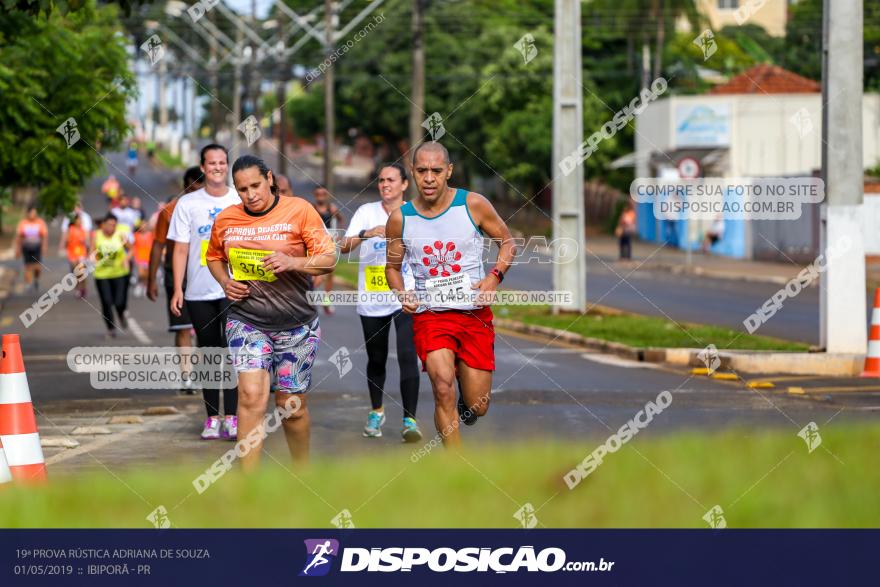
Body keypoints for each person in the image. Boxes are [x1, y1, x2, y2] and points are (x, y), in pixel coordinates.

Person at [206, 155, 335, 467]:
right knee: (250, 397)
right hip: (246, 319)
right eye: (242, 189)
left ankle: (302, 473)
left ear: (270, 179)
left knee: (290, 407)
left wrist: (293, 262)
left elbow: (329, 259)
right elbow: (213, 256)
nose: (250, 194)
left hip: (296, 324)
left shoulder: (300, 210)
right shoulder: (226, 219)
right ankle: (249, 490)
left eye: (255, 185)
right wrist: (225, 281)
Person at [385, 142, 515, 447]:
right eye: (421, 171)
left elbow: (508, 243)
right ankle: (456, 468)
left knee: (478, 406)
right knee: (442, 388)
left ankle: (465, 395)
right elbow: (392, 268)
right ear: (413, 172)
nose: (429, 178)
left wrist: (494, 277)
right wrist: (401, 293)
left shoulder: (473, 204)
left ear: (449, 172)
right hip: (431, 316)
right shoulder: (400, 219)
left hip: (473, 315)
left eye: (436, 171)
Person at [340, 163, 421, 442]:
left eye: (391, 180)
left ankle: (410, 420)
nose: (385, 184)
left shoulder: (414, 212)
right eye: (381, 180)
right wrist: (366, 234)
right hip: (372, 298)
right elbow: (342, 246)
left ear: (404, 185)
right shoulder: (366, 212)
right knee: (377, 359)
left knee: (408, 355)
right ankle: (377, 411)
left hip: (405, 295)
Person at [168, 144, 241, 440]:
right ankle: (213, 418)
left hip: (234, 288)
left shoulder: (239, 199)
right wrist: (177, 288)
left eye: (223, 162)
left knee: (233, 353)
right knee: (210, 353)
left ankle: (234, 417)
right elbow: (181, 248)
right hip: (199, 291)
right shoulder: (188, 204)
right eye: (212, 163)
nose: (218, 167)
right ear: (202, 167)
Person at [148, 167, 203, 395]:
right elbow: (158, 244)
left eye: (202, 186)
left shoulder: (217, 209)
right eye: (194, 186)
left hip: (207, 275)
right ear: (186, 186)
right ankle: (187, 377)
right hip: (176, 276)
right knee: (183, 328)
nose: (198, 191)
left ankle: (205, 372)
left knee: (207, 329)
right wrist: (151, 279)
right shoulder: (170, 211)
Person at [91, 214, 132, 338]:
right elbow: (92, 252)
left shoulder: (120, 235)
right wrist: (92, 259)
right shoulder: (96, 235)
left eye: (114, 225)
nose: (111, 227)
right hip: (102, 275)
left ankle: (121, 314)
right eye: (109, 225)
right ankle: (110, 328)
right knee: (106, 302)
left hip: (119, 273)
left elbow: (131, 249)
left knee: (119, 302)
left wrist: (126, 259)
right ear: (103, 224)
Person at [311, 186, 344, 315]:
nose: (320, 196)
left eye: (323, 194)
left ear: (327, 195)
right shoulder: (311, 208)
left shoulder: (332, 209)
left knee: (330, 273)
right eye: (318, 194)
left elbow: (340, 220)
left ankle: (327, 300)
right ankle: (311, 300)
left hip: (330, 241)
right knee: (315, 272)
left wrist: (340, 235)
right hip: (316, 242)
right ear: (314, 194)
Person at [15, 206, 49, 292]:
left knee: (37, 267)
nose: (34, 215)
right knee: (28, 266)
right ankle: (28, 283)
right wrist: (17, 249)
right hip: (26, 247)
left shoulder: (40, 223)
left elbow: (44, 236)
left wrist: (44, 247)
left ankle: (36, 279)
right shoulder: (23, 223)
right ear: (28, 213)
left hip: (37, 247)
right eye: (32, 213)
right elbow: (19, 237)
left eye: (35, 213)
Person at [62, 213, 89, 299]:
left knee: (81, 272)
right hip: (72, 252)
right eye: (78, 220)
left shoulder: (83, 230)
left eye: (81, 220)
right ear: (74, 221)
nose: (80, 221)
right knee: (75, 272)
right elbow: (66, 241)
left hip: (81, 252)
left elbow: (87, 241)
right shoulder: (70, 229)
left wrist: (85, 243)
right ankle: (78, 288)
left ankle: (83, 288)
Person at [132, 221, 153, 298]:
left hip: (148, 257)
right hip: (140, 257)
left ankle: (145, 286)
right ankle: (139, 285)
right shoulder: (136, 235)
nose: (143, 227)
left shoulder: (150, 235)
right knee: (141, 274)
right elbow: (133, 246)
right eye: (142, 226)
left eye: (144, 226)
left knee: (147, 275)